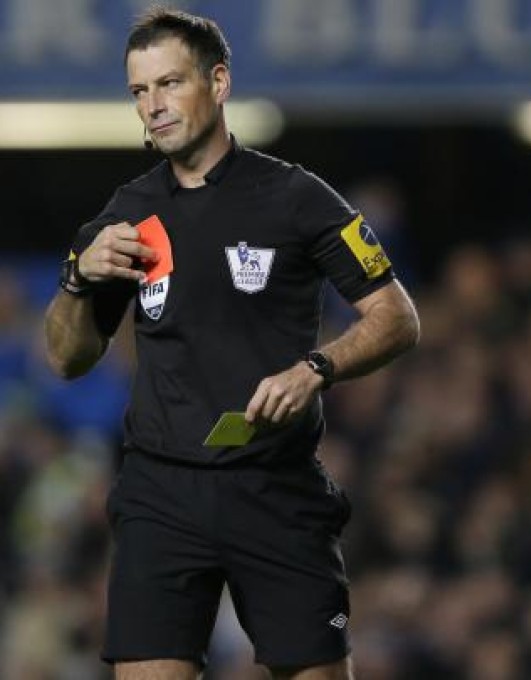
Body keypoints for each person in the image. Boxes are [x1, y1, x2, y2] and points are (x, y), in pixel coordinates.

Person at [43, 7, 419, 680]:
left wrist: (316, 368)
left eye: (169, 83)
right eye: (139, 91)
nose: (153, 106)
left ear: (217, 82)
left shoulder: (296, 197)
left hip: (274, 486)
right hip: (162, 492)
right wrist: (76, 279)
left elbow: (395, 316)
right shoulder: (126, 215)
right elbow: (67, 359)